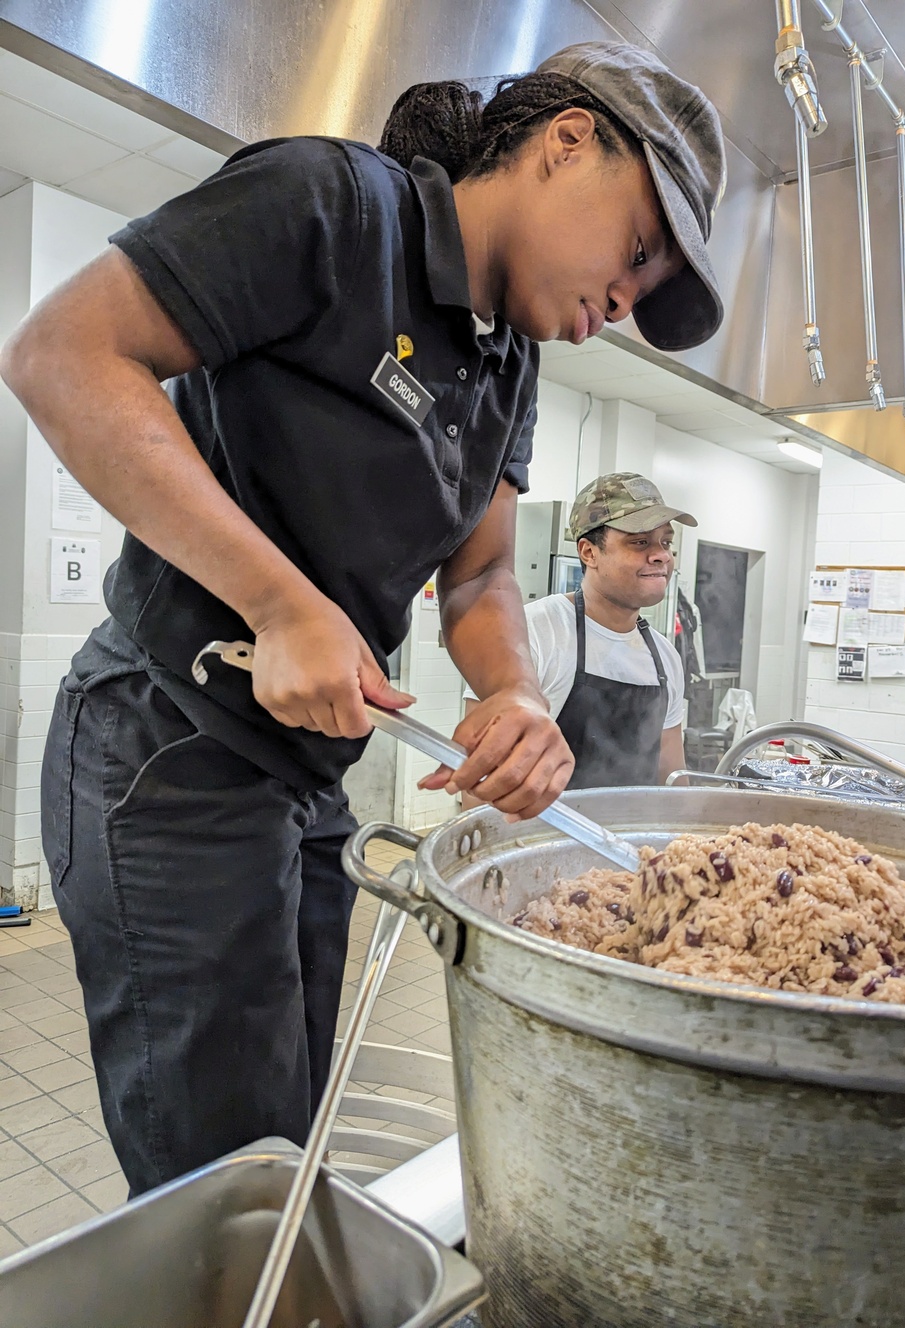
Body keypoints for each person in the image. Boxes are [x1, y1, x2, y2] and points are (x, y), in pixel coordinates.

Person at [0, 42, 726, 1195]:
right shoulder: (335, 208)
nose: (621, 303)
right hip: (167, 749)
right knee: (219, 1181)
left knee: (281, 1141)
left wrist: (516, 694)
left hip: (303, 782)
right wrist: (283, 604)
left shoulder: (510, 364)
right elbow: (62, 354)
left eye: (642, 294)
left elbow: (481, 577)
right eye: (635, 252)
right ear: (566, 140)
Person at [466, 472, 695, 788]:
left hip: (631, 837)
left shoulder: (665, 658)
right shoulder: (531, 633)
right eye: (640, 542)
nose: (661, 555)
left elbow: (671, 777)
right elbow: (479, 771)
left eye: (666, 542)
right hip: (539, 836)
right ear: (589, 552)